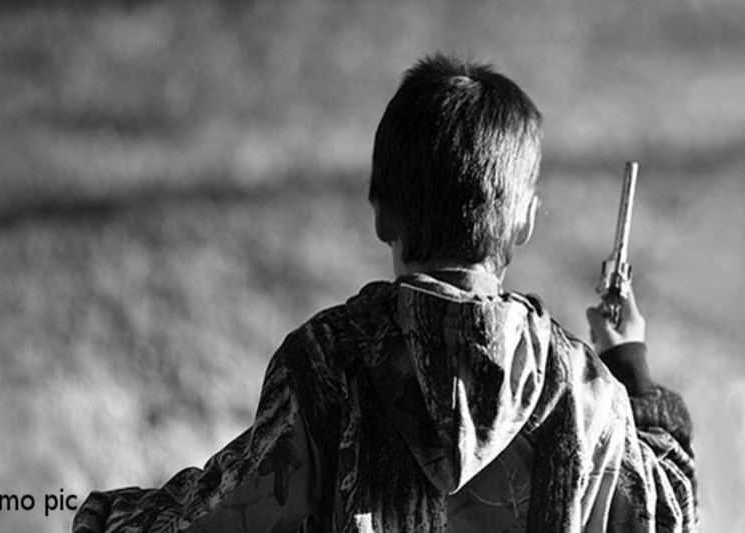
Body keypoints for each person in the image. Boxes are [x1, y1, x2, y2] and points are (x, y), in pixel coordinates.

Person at [73, 54, 697, 533]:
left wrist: (100, 517)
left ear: (380, 214)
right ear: (525, 223)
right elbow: (669, 515)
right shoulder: (582, 391)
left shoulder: (327, 363)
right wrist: (628, 364)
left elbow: (221, 516)